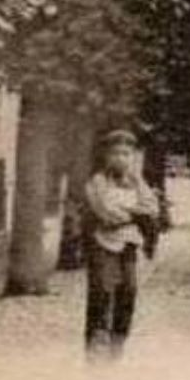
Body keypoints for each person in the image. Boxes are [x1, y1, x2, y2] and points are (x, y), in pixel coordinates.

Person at [82, 129, 160, 358]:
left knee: (129, 293)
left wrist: (132, 212)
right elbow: (107, 213)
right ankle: (95, 352)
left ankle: (117, 348)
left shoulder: (137, 181)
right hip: (103, 244)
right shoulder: (97, 182)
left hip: (128, 246)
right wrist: (137, 215)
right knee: (103, 293)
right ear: (106, 156)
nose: (121, 159)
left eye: (126, 154)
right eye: (115, 153)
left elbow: (152, 207)